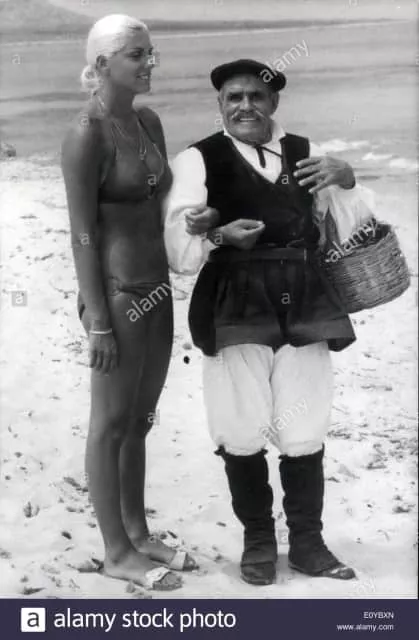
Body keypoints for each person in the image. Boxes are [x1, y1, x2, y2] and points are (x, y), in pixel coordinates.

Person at [164, 59, 373, 586]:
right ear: (219, 104)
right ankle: (258, 540)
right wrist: (213, 234)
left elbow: (351, 229)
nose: (245, 106)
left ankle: (307, 543)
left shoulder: (304, 151)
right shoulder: (197, 159)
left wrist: (348, 180)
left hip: (304, 298)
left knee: (304, 424)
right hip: (233, 301)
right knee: (240, 424)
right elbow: (178, 252)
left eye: (256, 96)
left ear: (274, 102)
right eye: (233, 97)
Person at [61, 14, 199, 591]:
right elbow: (82, 233)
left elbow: (162, 204)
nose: (149, 63)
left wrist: (203, 221)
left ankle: (139, 535)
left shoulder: (148, 121)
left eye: (151, 53)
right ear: (102, 65)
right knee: (110, 423)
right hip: (117, 296)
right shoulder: (85, 134)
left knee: (140, 420)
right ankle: (116, 551)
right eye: (137, 55)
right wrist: (96, 319)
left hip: (158, 288)